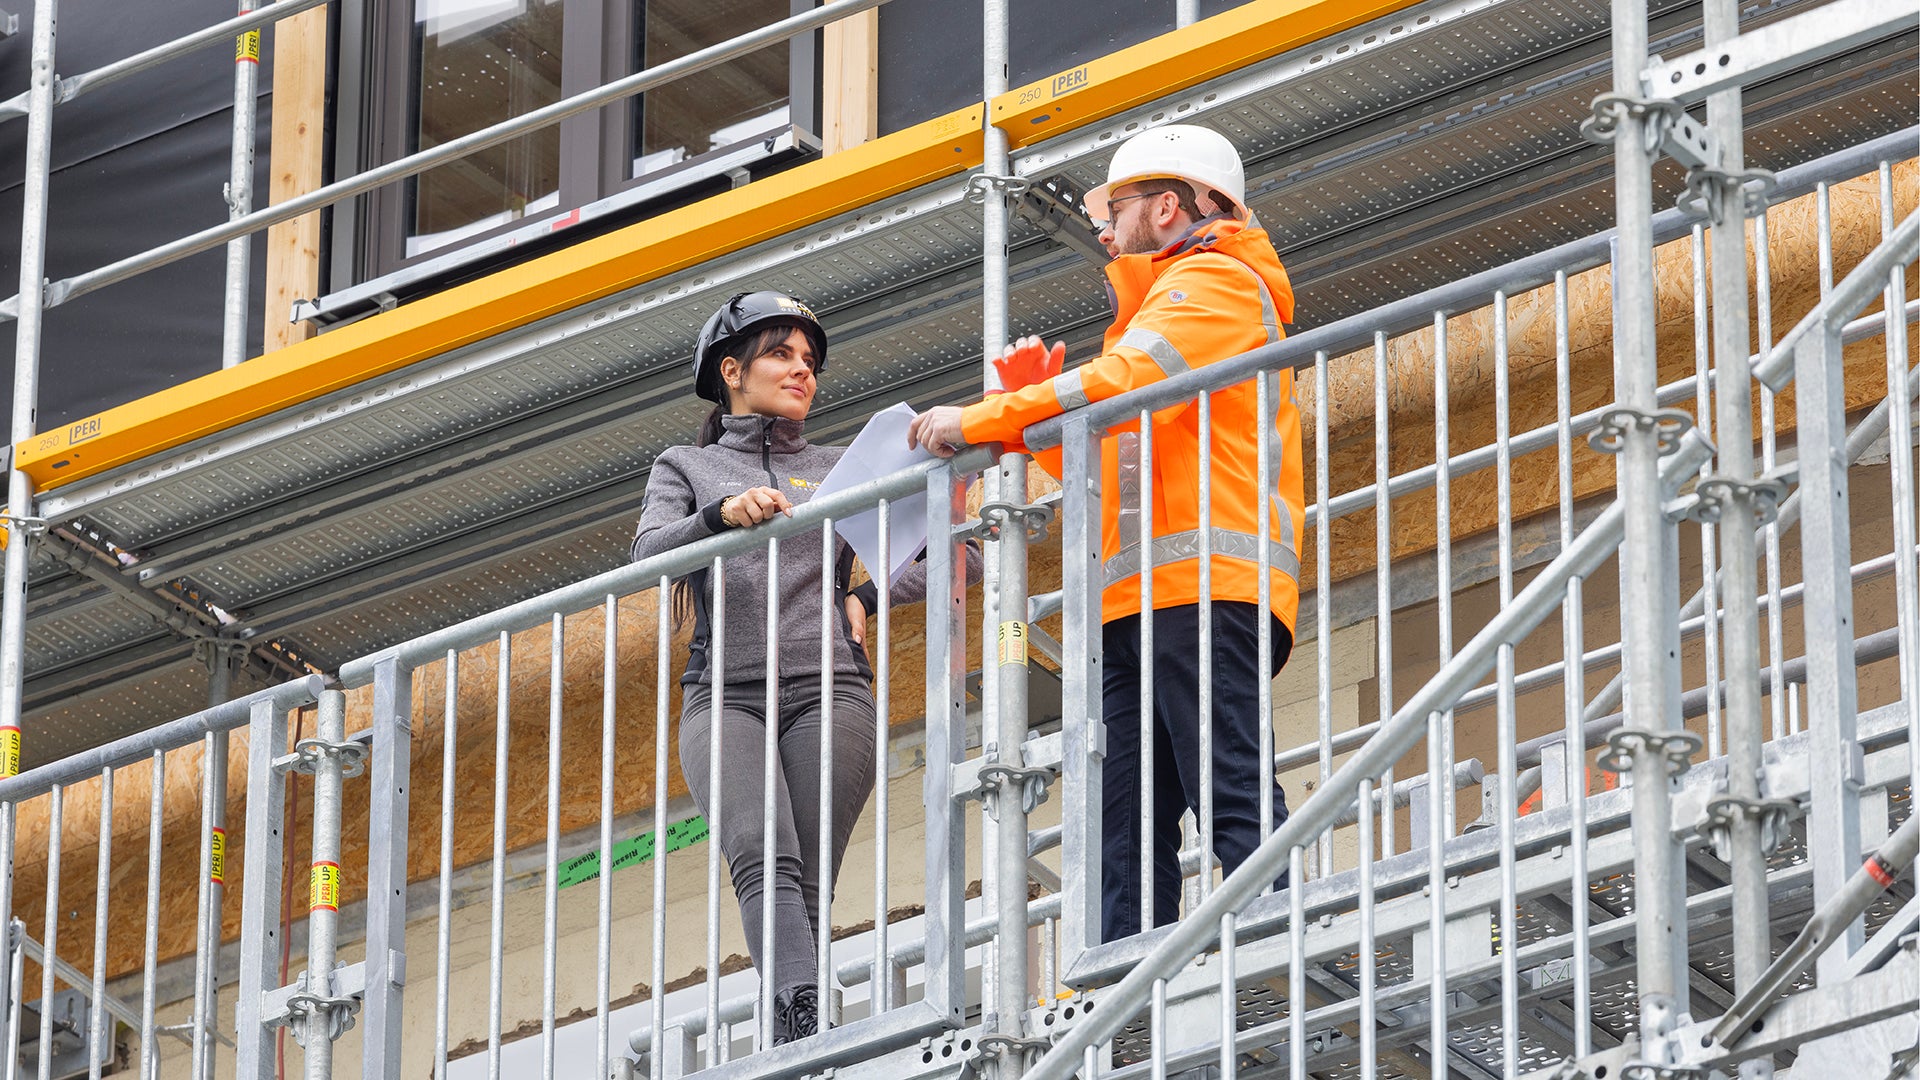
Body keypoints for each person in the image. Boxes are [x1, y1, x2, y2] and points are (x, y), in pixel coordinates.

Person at [908, 125, 1306, 942]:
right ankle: (1129, 997)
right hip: (1135, 600)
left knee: (1224, 784)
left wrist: (986, 418)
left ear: (1168, 206)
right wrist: (1034, 423)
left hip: (1203, 588)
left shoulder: (1218, 281)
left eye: (1114, 204)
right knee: (1122, 824)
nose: (1103, 223)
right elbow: (1127, 452)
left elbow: (1125, 384)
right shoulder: (1155, 310)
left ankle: (1280, 942)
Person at [632, 291, 977, 1042]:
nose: (803, 372)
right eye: (782, 354)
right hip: (722, 694)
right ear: (732, 371)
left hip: (833, 690)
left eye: (811, 362)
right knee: (761, 854)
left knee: (804, 883)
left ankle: (797, 1042)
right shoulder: (686, 464)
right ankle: (804, 1028)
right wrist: (721, 518)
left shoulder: (836, 466)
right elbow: (647, 555)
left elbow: (962, 558)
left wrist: (871, 589)